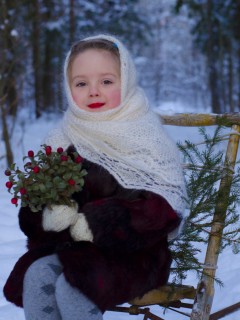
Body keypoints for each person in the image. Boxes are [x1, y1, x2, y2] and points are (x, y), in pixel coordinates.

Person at [4, 34, 186, 320]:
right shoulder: (61, 138)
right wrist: (48, 214)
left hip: (135, 254)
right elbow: (33, 212)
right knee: (37, 275)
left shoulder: (147, 137)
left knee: (74, 285)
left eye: (106, 81)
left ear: (125, 81)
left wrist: (96, 223)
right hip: (73, 249)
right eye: (81, 83)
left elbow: (162, 210)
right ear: (68, 87)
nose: (93, 92)